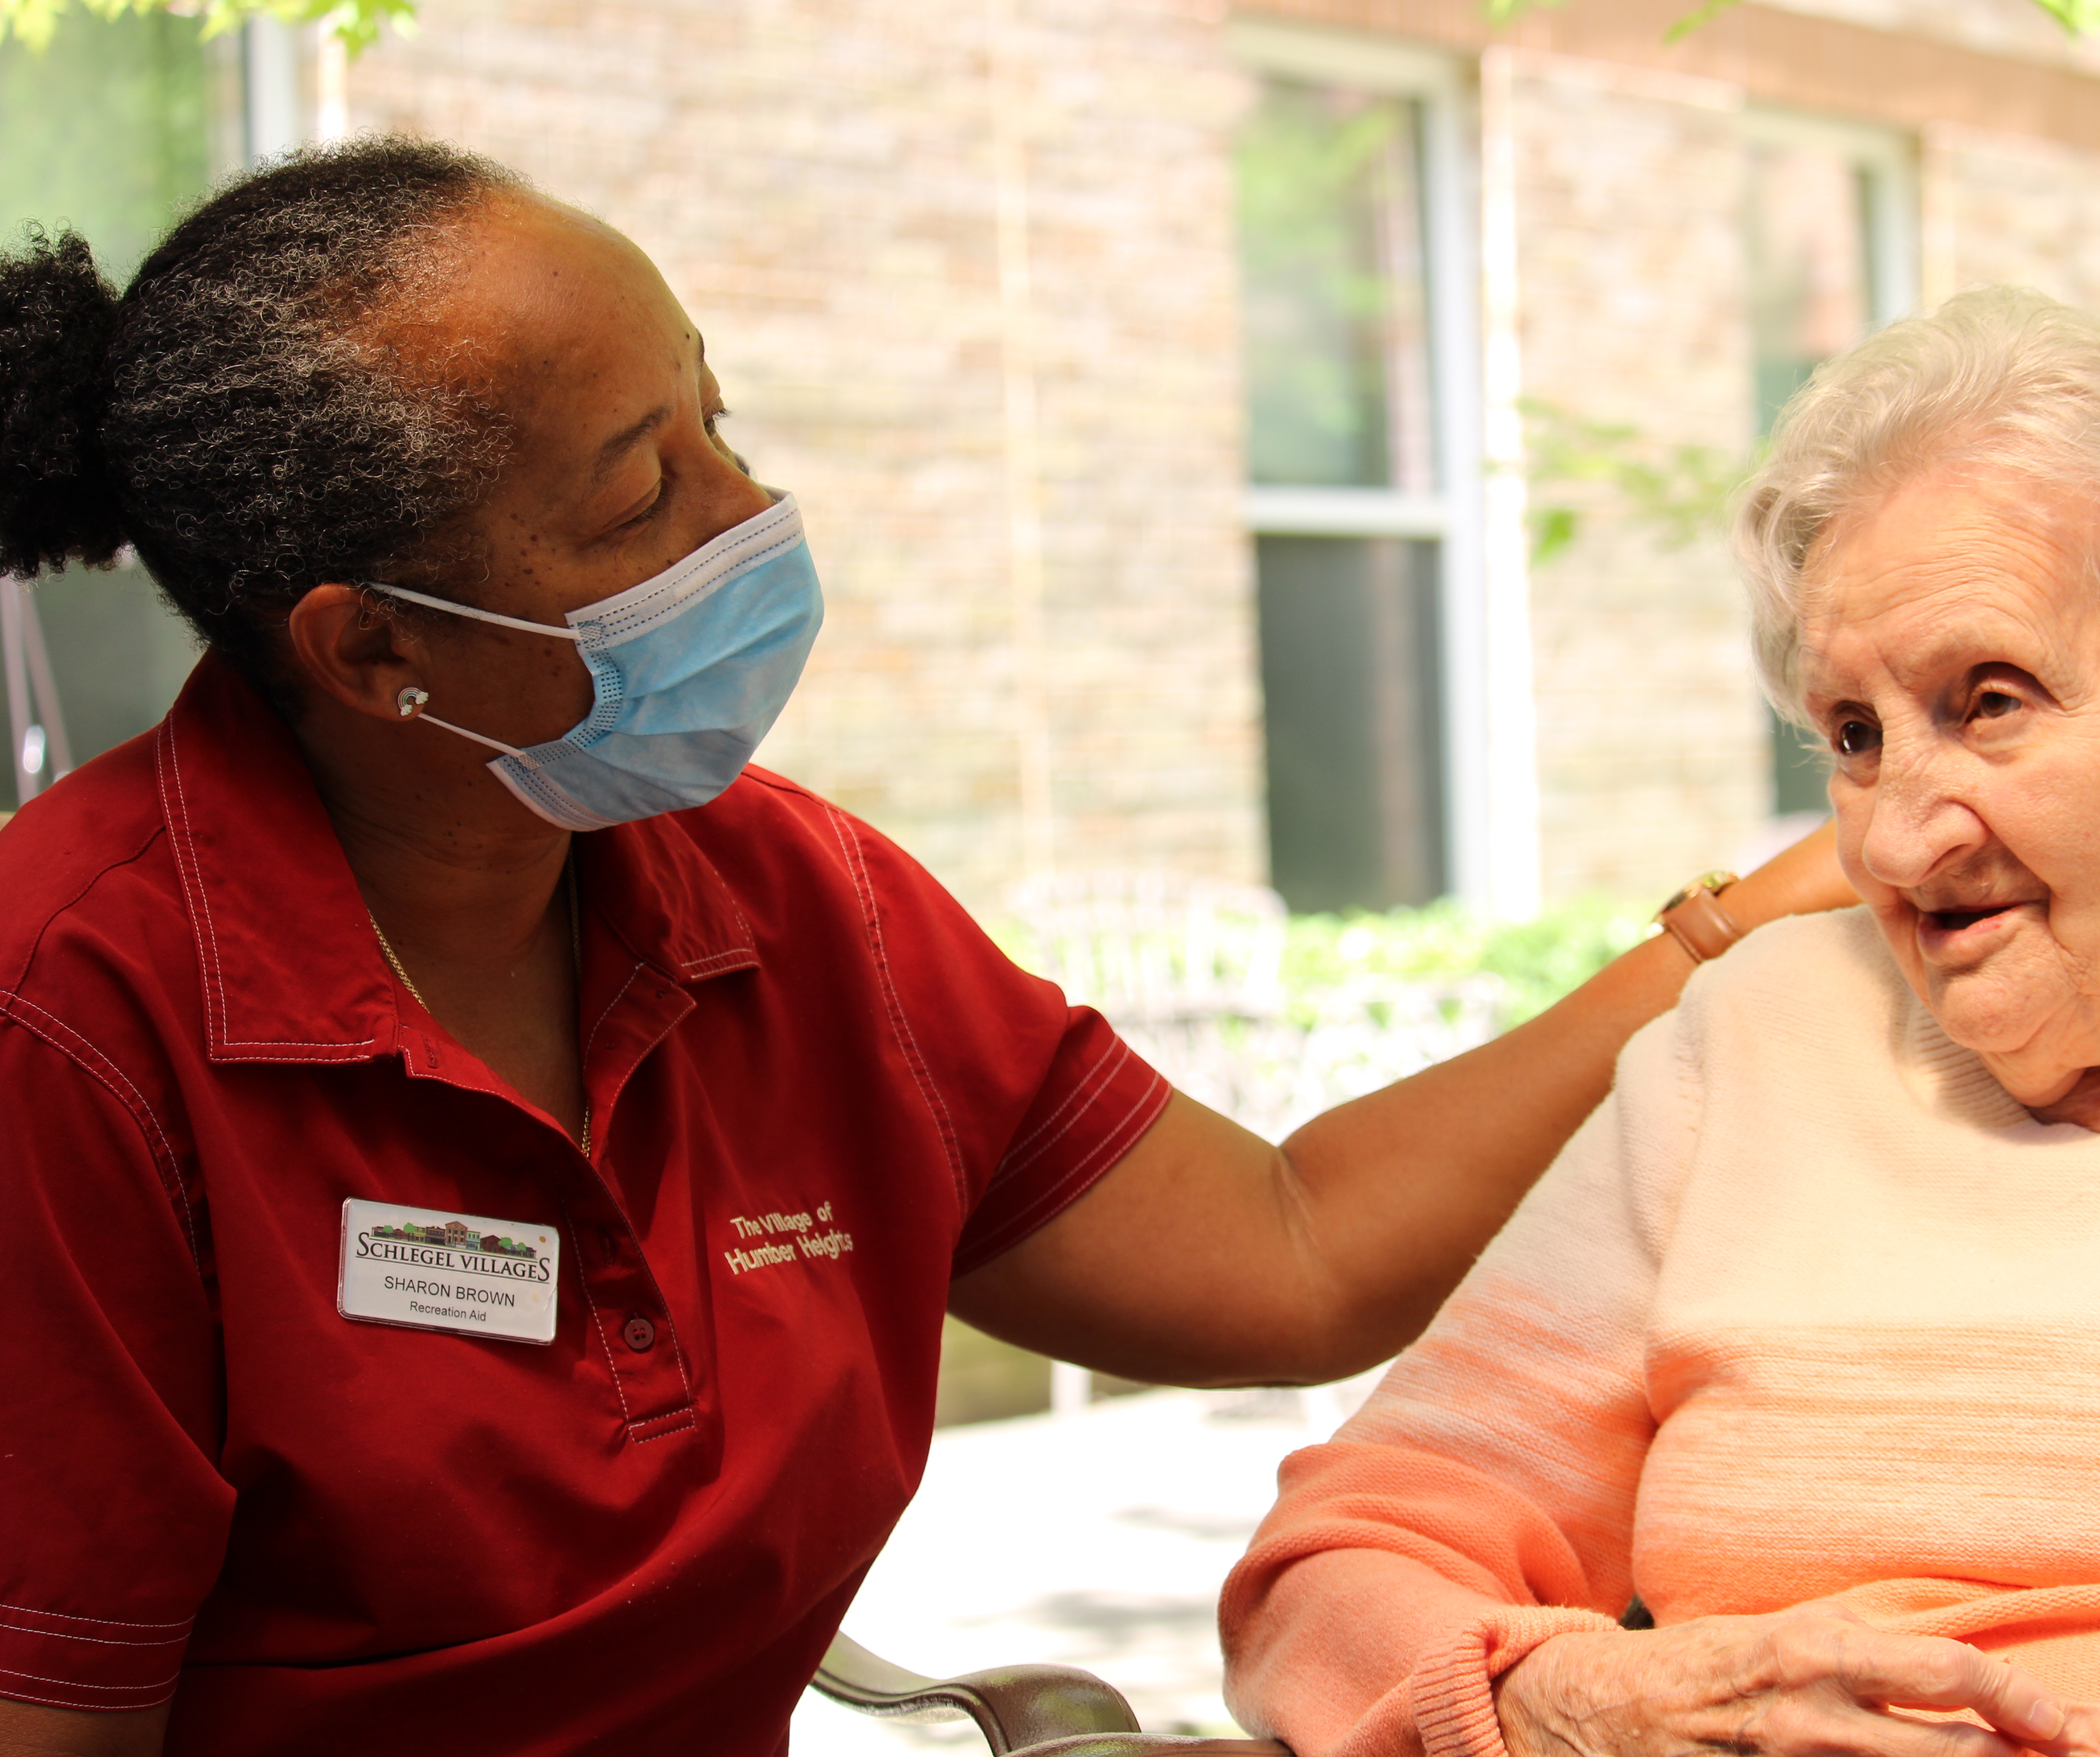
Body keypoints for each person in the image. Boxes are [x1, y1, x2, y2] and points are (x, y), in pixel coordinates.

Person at [0, 140, 1855, 1757]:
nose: (752, 525)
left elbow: (1290, 1255)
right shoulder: (74, 1026)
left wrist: (1723, 944)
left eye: (720, 424)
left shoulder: (788, 908)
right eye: (643, 499)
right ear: (371, 651)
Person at [1220, 286, 2100, 1757]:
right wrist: (1567, 1700)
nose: (1895, 842)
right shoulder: (1755, 1044)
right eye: (1853, 734)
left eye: (1992, 699)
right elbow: (1338, 1563)